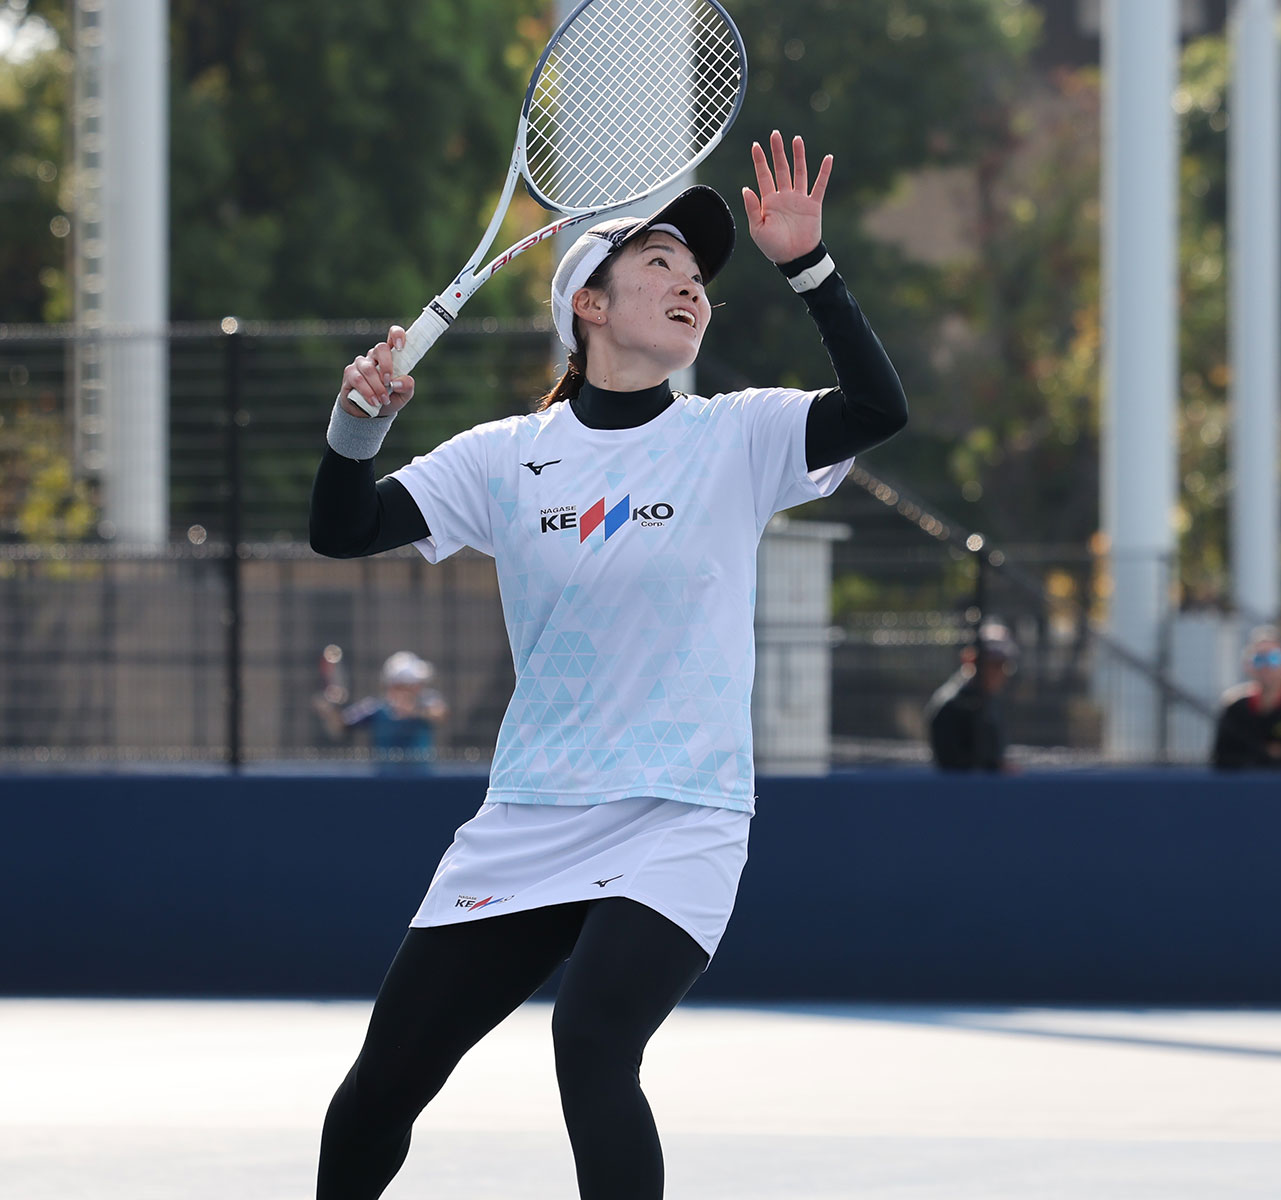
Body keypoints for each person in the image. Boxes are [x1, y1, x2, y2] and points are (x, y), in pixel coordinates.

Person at [306, 132, 906, 1200]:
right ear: (589, 304)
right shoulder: (505, 456)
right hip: (533, 811)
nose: (691, 286)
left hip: (682, 812)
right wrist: (357, 426)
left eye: (698, 275)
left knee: (591, 1043)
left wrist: (809, 267)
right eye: (661, 265)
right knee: (384, 1083)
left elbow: (876, 408)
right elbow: (342, 529)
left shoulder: (737, 436)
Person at [1211, 627, 1281, 772]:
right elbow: (1222, 759)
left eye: (1274, 659)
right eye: (1258, 659)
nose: (1266, 667)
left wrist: (1252, 751)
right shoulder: (1234, 708)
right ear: (1248, 665)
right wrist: (1270, 751)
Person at [313, 650, 449, 764]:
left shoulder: (426, 702)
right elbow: (341, 726)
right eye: (415, 683)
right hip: (385, 780)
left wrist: (414, 711)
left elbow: (440, 714)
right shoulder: (375, 709)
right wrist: (329, 711)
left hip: (422, 780)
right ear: (398, 685)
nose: (420, 687)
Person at [925, 622, 1016, 772]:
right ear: (970, 659)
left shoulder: (990, 702)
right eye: (994, 664)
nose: (1002, 672)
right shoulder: (950, 706)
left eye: (1004, 664)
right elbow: (954, 765)